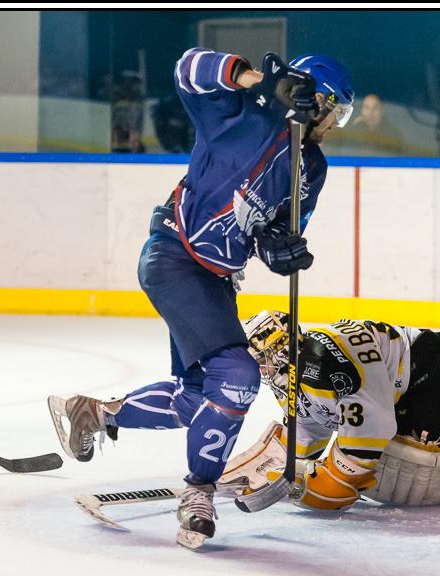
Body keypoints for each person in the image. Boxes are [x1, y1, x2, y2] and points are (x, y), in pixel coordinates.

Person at [48, 48, 354, 549]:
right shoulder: (238, 113)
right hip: (174, 255)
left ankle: (94, 413)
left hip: (215, 278)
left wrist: (280, 249)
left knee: (197, 399)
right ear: (312, 97)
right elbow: (188, 68)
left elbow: (279, 229)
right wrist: (257, 80)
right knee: (237, 377)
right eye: (333, 110)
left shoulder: (312, 166)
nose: (333, 124)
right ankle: (199, 491)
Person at [216, 311, 440, 511]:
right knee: (381, 462)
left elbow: (371, 429)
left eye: (262, 360)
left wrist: (335, 477)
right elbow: (307, 431)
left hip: (433, 375)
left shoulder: (326, 364)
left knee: (400, 463)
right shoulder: (295, 370)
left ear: (281, 351)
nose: (260, 370)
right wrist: (278, 466)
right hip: (398, 386)